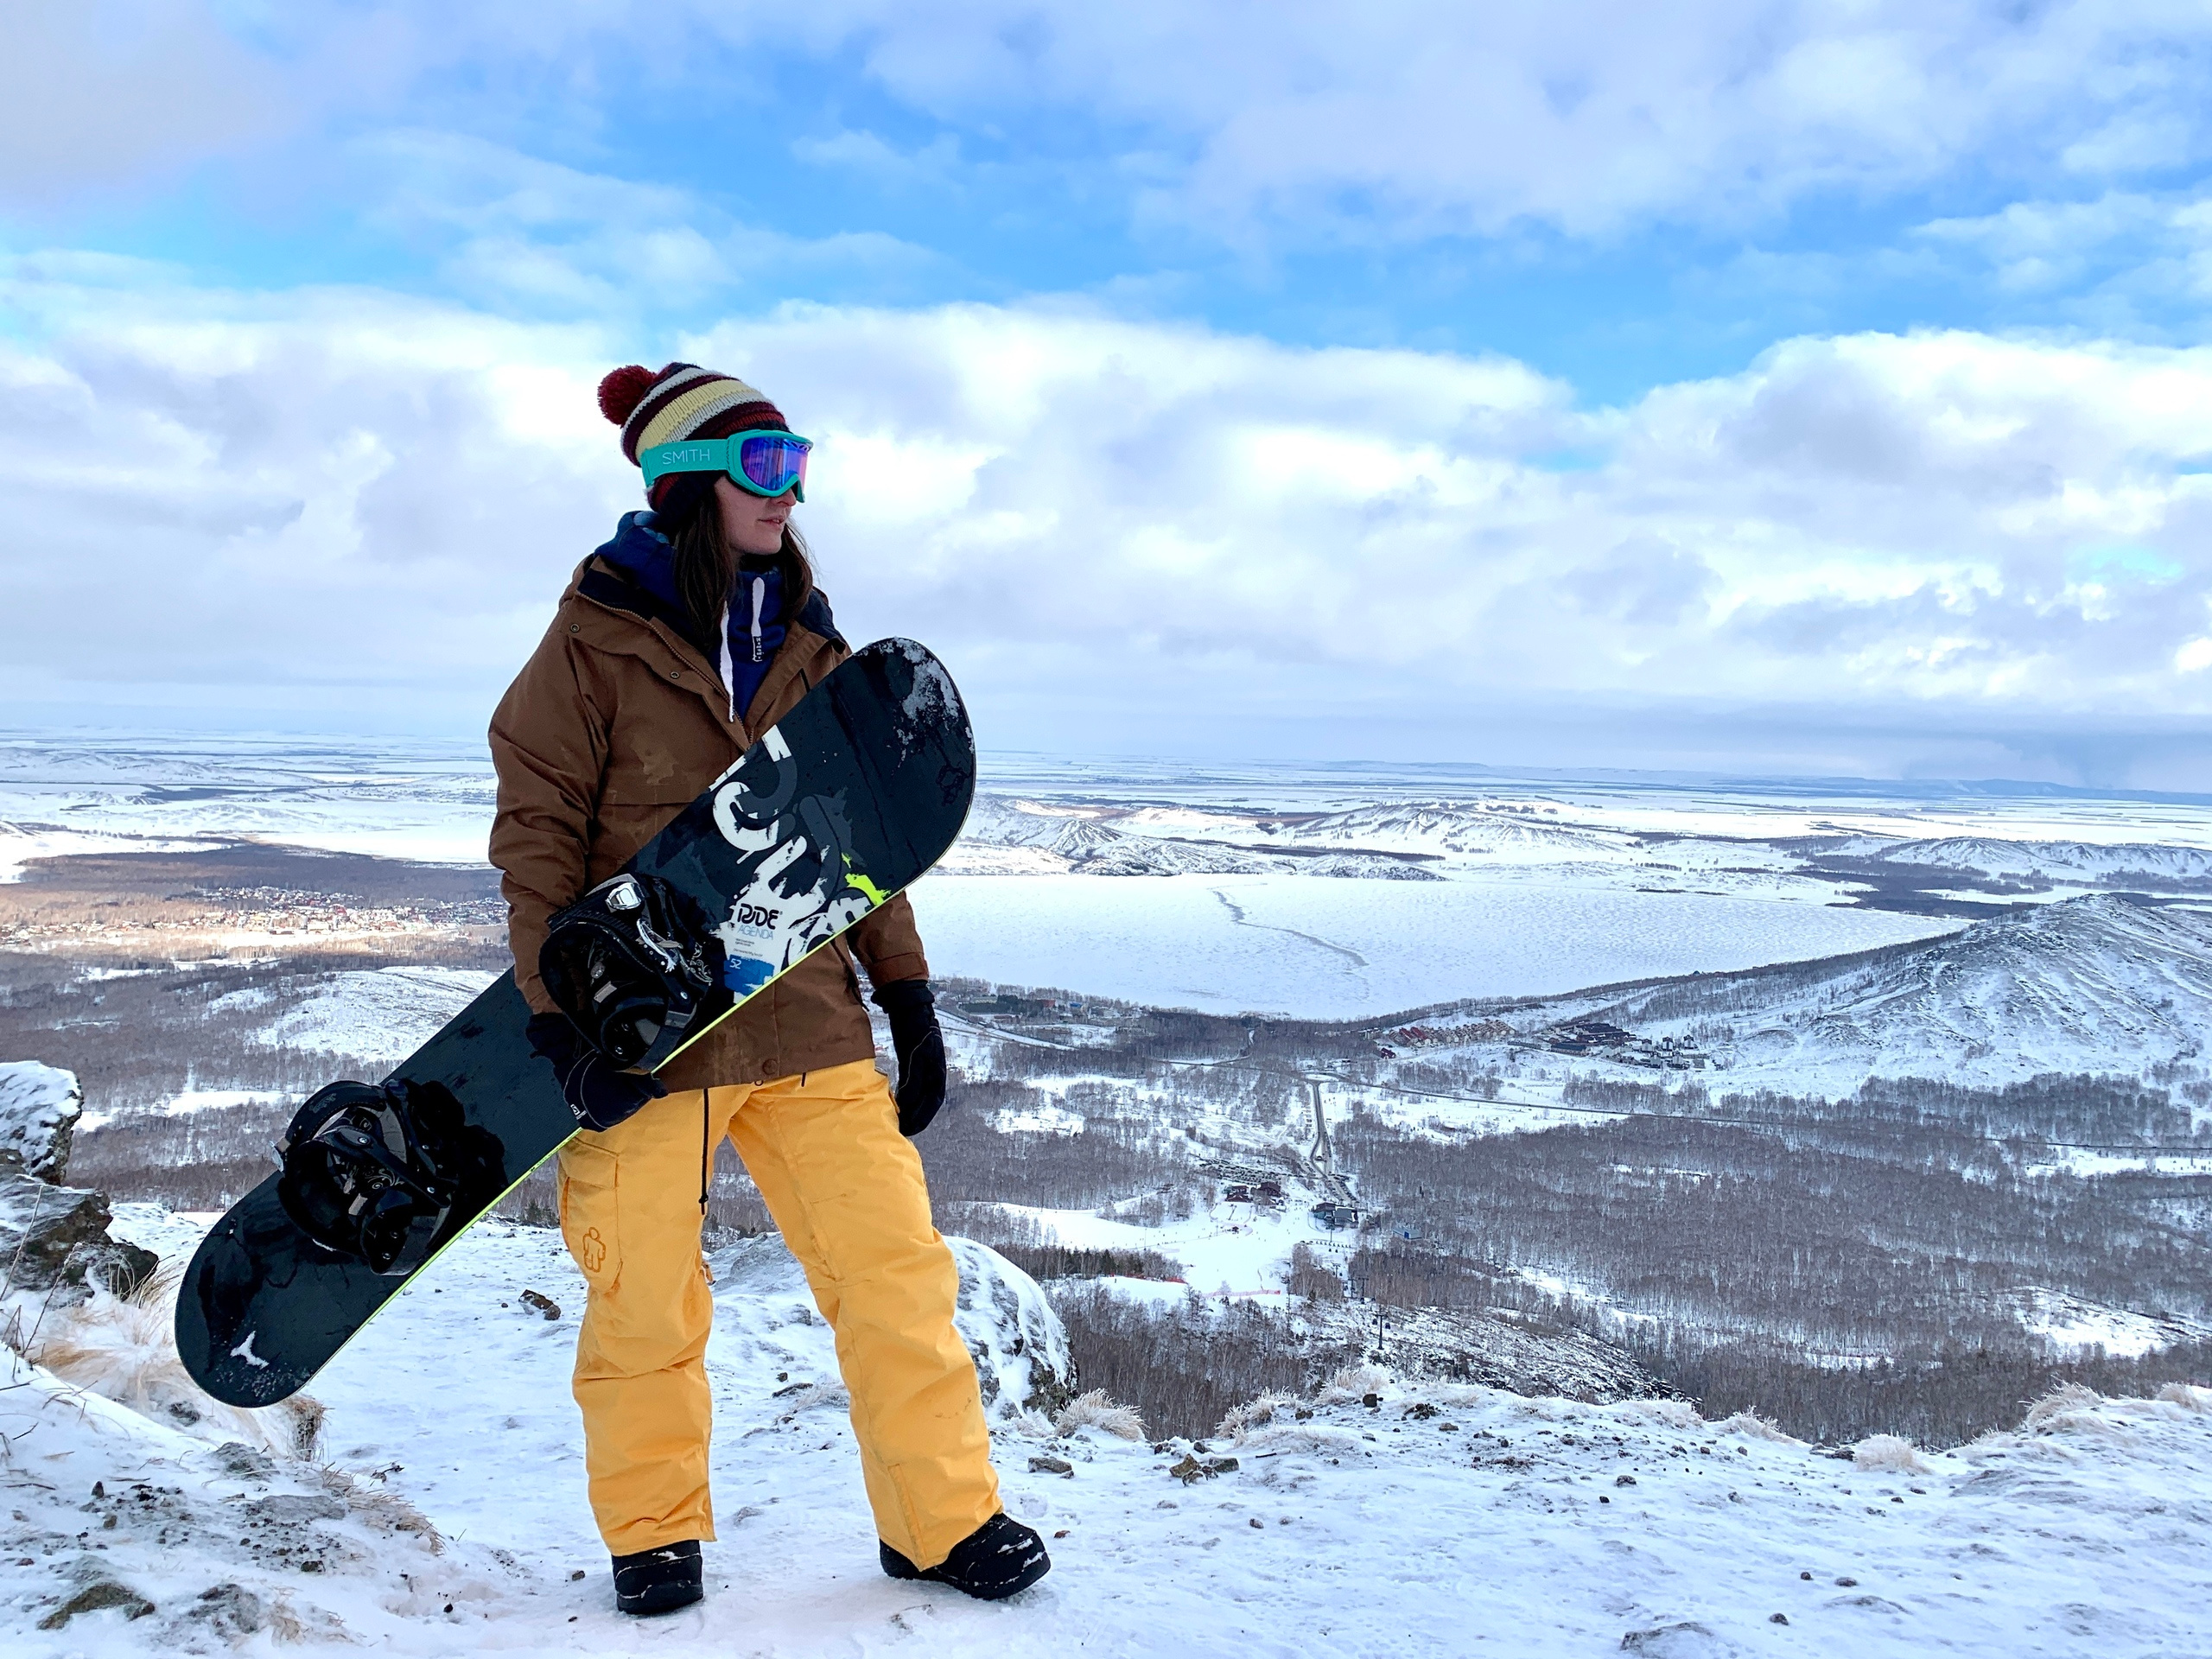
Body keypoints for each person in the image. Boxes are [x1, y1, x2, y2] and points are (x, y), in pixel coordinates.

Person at [486, 361, 1050, 1617]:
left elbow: (860, 839)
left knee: (897, 1276)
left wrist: (903, 991)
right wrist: (549, 1010)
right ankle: (653, 1530)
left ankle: (941, 1521)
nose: (789, 491)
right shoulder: (590, 645)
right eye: (764, 464)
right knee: (644, 1297)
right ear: (690, 480)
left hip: (807, 1018)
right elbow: (535, 841)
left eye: (798, 463)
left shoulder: (810, 642)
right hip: (649, 1037)